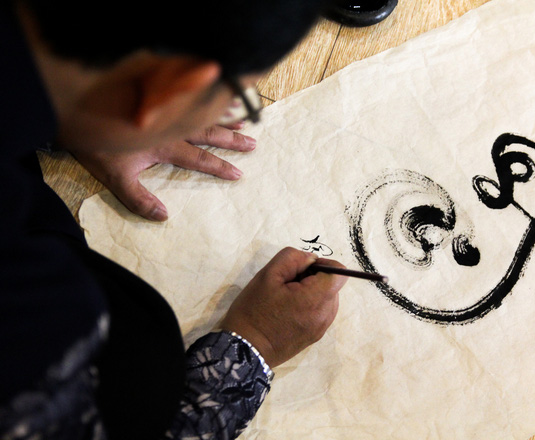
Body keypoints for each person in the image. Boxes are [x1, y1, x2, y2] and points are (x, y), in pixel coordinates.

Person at [0, 0, 349, 439]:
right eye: (234, 99)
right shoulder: (45, 334)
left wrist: (90, 114)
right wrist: (256, 344)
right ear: (168, 90)